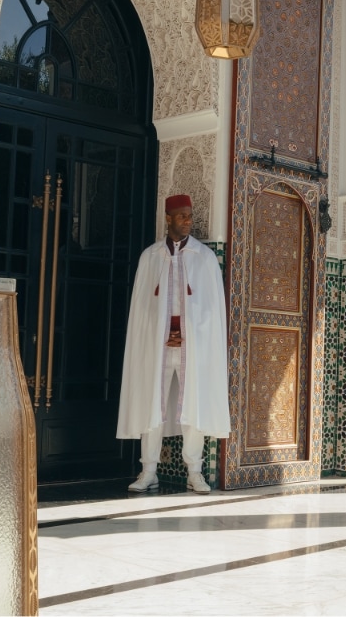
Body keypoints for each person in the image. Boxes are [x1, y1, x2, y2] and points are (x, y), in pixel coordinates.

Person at [116, 194, 230, 493]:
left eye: (190, 215)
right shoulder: (150, 257)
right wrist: (161, 331)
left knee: (194, 405)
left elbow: (210, 309)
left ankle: (195, 472)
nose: (188, 220)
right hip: (159, 347)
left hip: (193, 348)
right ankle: (148, 471)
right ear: (168, 218)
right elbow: (142, 310)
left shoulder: (204, 258)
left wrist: (189, 332)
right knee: (152, 404)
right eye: (182, 216)